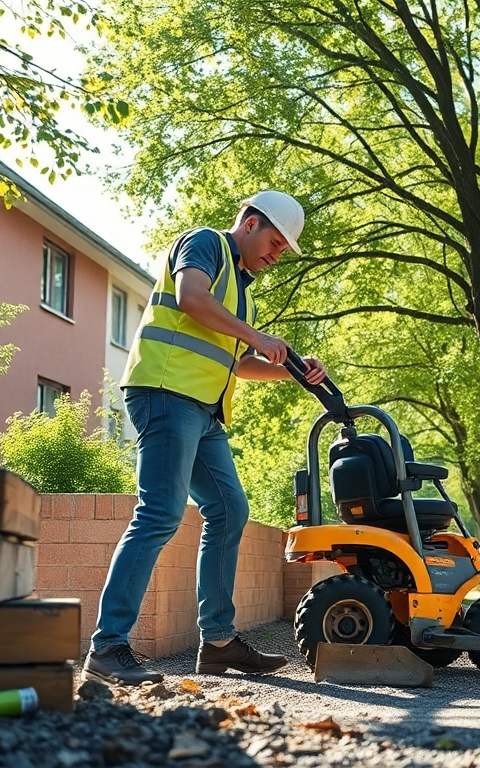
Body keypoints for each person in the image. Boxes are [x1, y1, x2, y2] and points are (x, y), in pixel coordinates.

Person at [84, 190, 327, 686]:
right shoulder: (206, 244)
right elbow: (192, 299)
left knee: (230, 509)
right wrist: (259, 337)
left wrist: (295, 373)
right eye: (276, 243)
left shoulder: (244, 291)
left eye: (283, 250)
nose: (276, 255)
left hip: (205, 410)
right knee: (159, 514)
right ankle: (107, 647)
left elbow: (238, 362)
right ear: (252, 222)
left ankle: (217, 642)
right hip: (166, 392)